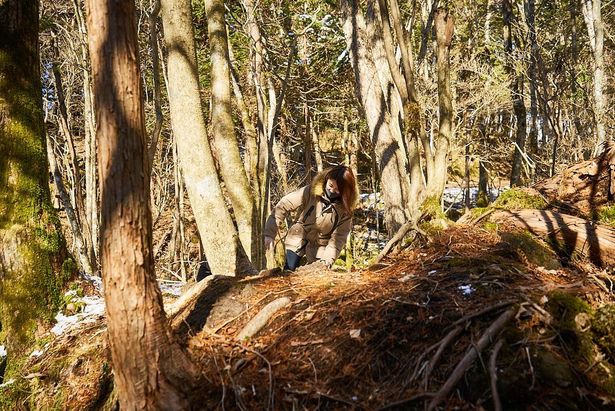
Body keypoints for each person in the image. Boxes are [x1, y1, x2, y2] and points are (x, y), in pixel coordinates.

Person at [264, 165, 359, 270]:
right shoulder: (310, 191)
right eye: (330, 185)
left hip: (320, 250)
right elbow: (283, 205)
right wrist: (269, 233)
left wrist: (326, 261)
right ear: (327, 179)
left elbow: (338, 239)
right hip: (297, 240)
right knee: (288, 273)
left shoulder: (346, 211)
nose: (332, 190)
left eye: (337, 190)